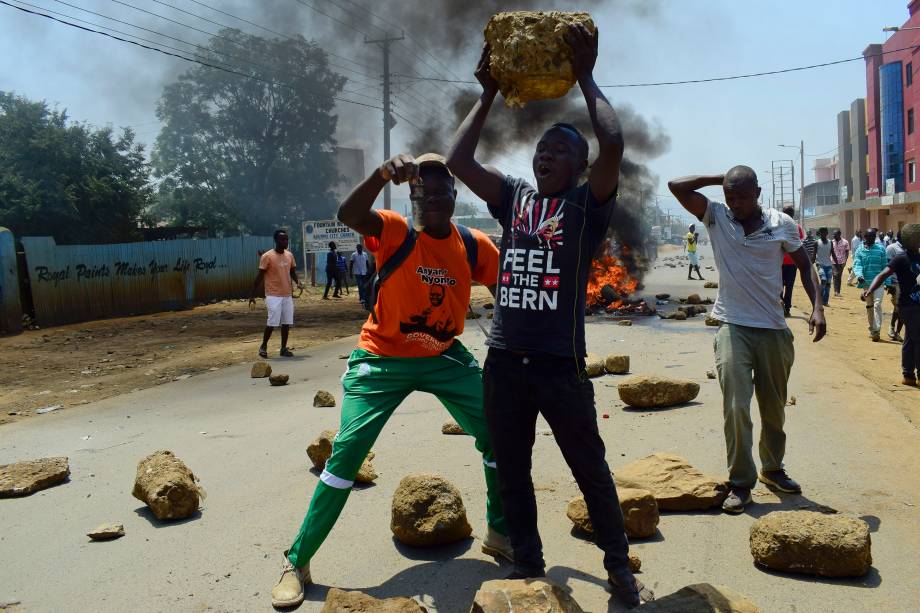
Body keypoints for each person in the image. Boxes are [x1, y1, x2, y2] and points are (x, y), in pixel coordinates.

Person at [446, 26, 654, 607]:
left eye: (558, 149)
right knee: (513, 472)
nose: (545, 155)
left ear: (579, 165)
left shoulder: (588, 206)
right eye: (541, 148)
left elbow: (613, 144)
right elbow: (459, 158)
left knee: (591, 471)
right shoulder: (514, 197)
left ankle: (618, 567)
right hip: (506, 361)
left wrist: (585, 75)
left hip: (560, 366)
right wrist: (486, 92)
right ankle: (530, 563)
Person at [269, 153, 509, 608]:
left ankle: (499, 532)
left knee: (497, 434)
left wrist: (511, 345)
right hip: (381, 360)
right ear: (412, 198)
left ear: (454, 197)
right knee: (346, 456)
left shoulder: (474, 245)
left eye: (441, 191)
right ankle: (296, 561)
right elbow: (349, 215)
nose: (432, 199)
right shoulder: (395, 231)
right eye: (423, 192)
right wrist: (381, 174)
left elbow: (507, 292)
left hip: (443, 357)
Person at [668, 166, 826, 514]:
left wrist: (818, 307)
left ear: (757, 192)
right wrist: (717, 178)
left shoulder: (780, 223)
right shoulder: (716, 216)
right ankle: (741, 481)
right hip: (732, 326)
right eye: (729, 197)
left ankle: (773, 469)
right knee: (736, 404)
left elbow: (804, 265)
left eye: (740, 196)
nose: (734, 203)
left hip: (772, 329)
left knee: (773, 407)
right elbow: (676, 184)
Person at [863, 224, 920, 386]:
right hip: (908, 306)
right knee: (918, 339)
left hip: (915, 305)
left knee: (910, 339)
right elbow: (883, 275)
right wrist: (869, 290)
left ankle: (908, 375)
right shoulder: (901, 258)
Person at [249, 229, 303, 359]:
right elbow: (259, 276)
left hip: (287, 294)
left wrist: (298, 282)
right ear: (276, 240)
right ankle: (263, 346)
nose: (285, 241)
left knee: (286, 322)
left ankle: (283, 348)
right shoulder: (267, 256)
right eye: (282, 239)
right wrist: (252, 294)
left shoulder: (289, 255)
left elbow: (292, 272)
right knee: (272, 322)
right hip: (273, 295)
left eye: (286, 239)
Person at [853, 228, 891, 342]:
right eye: (868, 237)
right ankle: (872, 328)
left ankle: (876, 330)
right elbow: (857, 264)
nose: (871, 239)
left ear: (875, 238)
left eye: (873, 237)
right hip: (866, 284)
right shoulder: (859, 250)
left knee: (877, 304)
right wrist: (859, 275)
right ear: (865, 237)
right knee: (869, 306)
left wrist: (888, 283)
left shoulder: (881, 249)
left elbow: (886, 267)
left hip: (879, 283)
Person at [780, 205, 805, 317]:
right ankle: (785, 308)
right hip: (787, 262)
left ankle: (784, 308)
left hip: (785, 262)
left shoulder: (779, 226)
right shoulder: (797, 227)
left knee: (781, 286)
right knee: (786, 287)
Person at [886, 233, 905, 342]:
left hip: (906, 282)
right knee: (900, 307)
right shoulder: (891, 248)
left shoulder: (909, 248)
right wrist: (888, 283)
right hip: (895, 282)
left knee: (902, 307)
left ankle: (896, 331)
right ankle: (893, 328)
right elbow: (887, 266)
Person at [814, 227, 834, 307]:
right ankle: (819, 298)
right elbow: (813, 255)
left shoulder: (830, 242)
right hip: (820, 264)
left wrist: (837, 265)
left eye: (825, 232)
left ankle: (825, 301)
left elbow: (833, 253)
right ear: (820, 233)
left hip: (829, 265)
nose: (824, 234)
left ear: (827, 233)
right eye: (822, 232)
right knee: (823, 280)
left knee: (828, 284)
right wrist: (810, 265)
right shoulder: (816, 243)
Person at [831, 229, 850, 297]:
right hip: (833, 262)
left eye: (835, 235)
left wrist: (845, 261)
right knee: (835, 275)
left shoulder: (845, 242)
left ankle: (838, 291)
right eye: (833, 235)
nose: (833, 236)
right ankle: (835, 291)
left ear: (839, 234)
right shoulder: (831, 242)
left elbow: (847, 252)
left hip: (841, 262)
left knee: (839, 276)